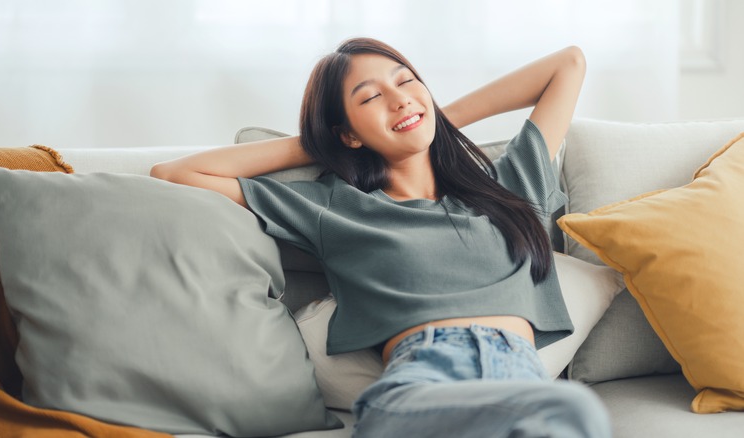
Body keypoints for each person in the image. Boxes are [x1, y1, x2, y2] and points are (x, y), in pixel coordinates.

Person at [151, 37, 611, 438]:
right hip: (420, 387)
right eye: (371, 98)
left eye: (406, 81)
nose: (398, 99)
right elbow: (175, 174)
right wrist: (320, 142)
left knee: (562, 414)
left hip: (521, 386)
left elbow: (568, 63)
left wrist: (433, 115)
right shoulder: (334, 208)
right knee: (572, 410)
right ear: (348, 132)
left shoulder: (509, 184)